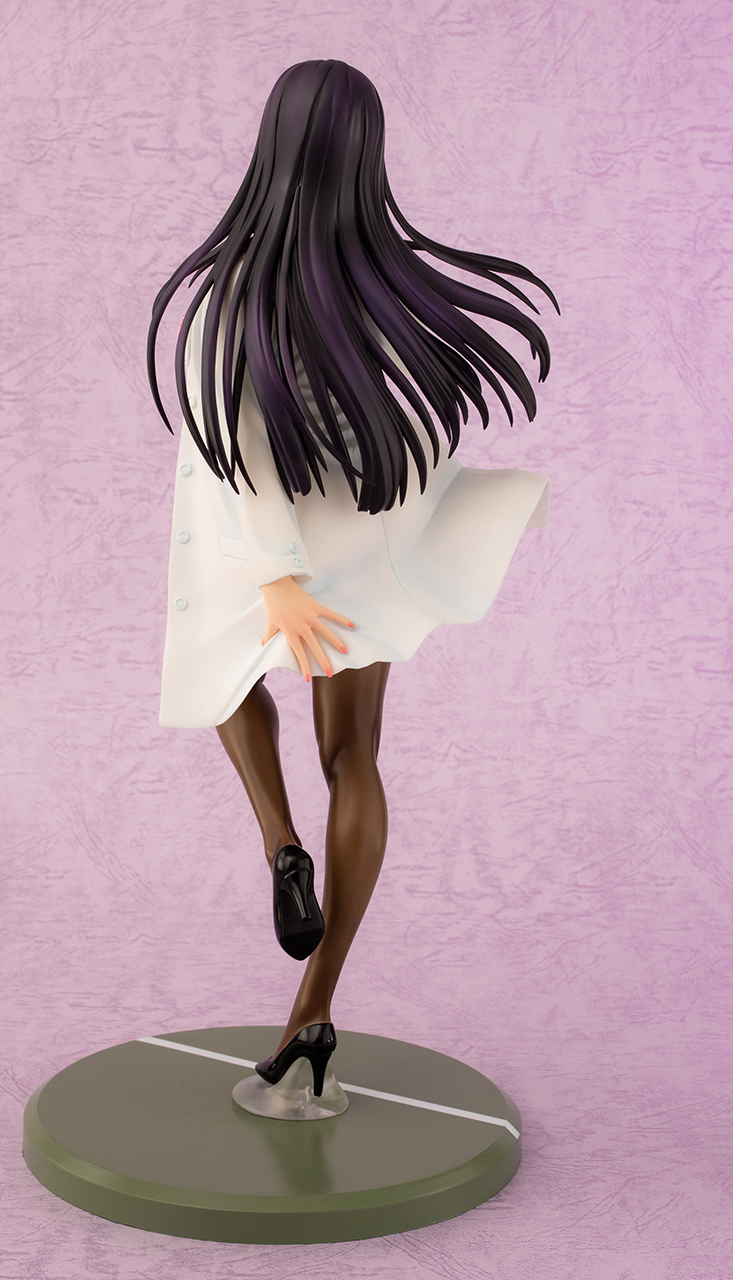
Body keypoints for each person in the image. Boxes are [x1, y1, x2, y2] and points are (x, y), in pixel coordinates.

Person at [147, 59, 557, 1097]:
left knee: (218, 682)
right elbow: (414, 434)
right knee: (354, 756)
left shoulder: (229, 295)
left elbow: (234, 449)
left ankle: (280, 845)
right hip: (359, 548)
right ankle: (314, 1006)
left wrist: (277, 574)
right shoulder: (385, 289)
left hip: (258, 552)